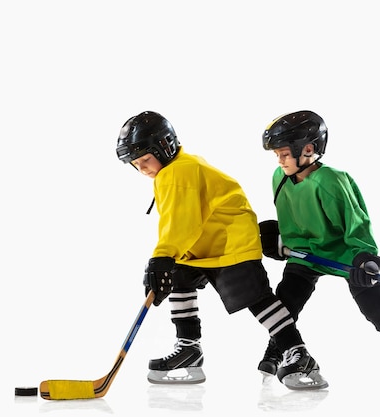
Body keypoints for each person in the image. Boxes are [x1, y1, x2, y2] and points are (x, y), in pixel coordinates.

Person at [115, 110, 328, 390]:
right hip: (202, 244)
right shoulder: (171, 171)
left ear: (164, 147)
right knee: (178, 278)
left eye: (145, 159)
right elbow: (181, 224)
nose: (143, 167)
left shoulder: (179, 171)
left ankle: (297, 352)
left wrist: (161, 256)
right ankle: (188, 348)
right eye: (136, 163)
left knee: (257, 299)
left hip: (231, 241)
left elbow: (181, 221)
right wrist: (166, 259)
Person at [257, 110, 380, 386]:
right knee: (286, 299)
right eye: (276, 154)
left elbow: (356, 222)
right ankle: (282, 346)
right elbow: (294, 220)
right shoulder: (279, 177)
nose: (279, 160)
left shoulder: (332, 181)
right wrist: (280, 242)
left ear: (309, 149)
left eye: (284, 153)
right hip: (306, 255)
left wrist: (366, 258)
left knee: (375, 303)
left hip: (344, 253)